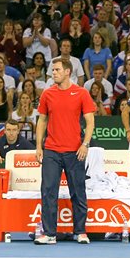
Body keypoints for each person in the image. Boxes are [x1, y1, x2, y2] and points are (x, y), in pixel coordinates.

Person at [34, 57, 96, 245]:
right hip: (51, 150)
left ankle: (80, 231)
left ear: (68, 71)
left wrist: (85, 144)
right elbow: (42, 121)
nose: (53, 73)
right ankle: (49, 233)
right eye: (53, 70)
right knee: (48, 191)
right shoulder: (47, 94)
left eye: (57, 70)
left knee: (78, 191)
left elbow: (90, 121)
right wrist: (38, 146)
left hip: (75, 151)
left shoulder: (82, 93)